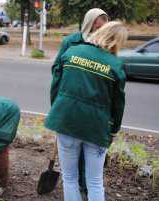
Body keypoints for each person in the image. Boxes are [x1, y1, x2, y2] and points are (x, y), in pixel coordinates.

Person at [45, 21, 128, 201]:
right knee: (95, 182)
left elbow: (55, 87)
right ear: (117, 41)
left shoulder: (72, 52)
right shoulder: (115, 65)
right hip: (97, 129)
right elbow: (118, 105)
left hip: (66, 122)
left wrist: (59, 114)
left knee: (69, 178)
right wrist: (113, 130)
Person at [51, 8, 109, 193]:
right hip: (70, 106)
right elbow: (57, 71)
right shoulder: (71, 41)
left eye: (103, 27)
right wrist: (57, 108)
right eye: (96, 27)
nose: (99, 31)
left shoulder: (106, 44)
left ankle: (84, 186)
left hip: (94, 109)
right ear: (88, 24)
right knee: (72, 154)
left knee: (89, 156)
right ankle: (78, 185)